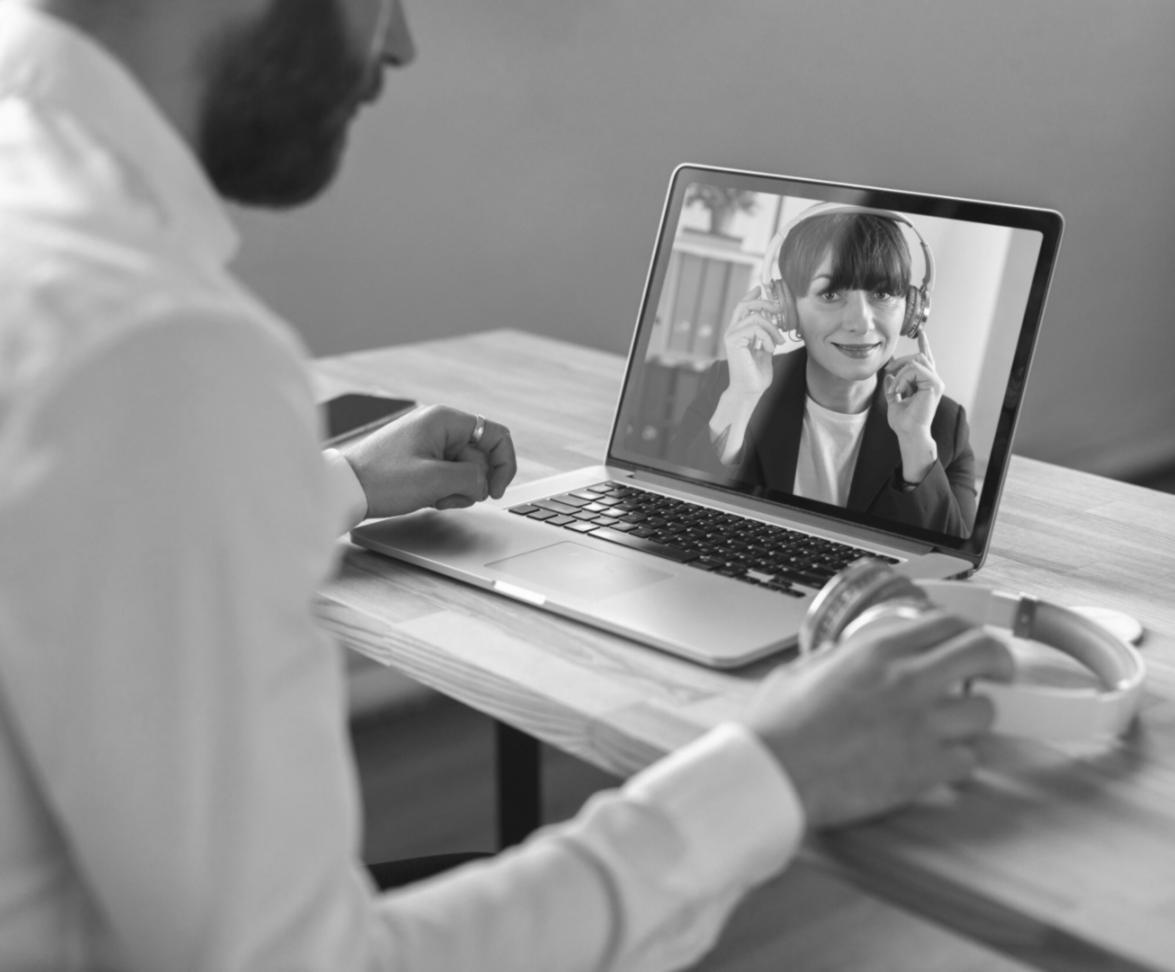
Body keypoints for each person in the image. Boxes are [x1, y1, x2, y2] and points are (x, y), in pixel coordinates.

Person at [0, 1, 1014, 969]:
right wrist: (776, 769)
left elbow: (72, 542)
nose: (396, 46)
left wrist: (334, 483)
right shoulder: (158, 351)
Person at [670, 208, 977, 538]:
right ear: (787, 309)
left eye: (883, 294)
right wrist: (743, 398)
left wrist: (915, 442)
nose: (861, 322)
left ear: (911, 310)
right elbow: (679, 523)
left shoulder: (942, 426)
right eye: (830, 294)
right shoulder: (730, 387)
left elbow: (951, 567)